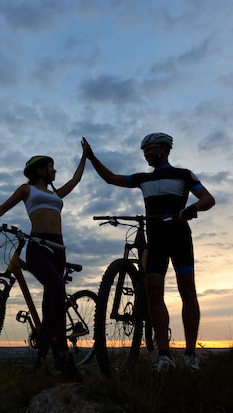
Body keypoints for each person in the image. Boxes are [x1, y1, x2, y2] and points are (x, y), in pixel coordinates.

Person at [83, 133, 215, 372]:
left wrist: (190, 209)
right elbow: (111, 178)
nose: (145, 154)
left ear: (163, 149)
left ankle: (191, 353)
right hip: (156, 240)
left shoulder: (183, 175)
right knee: (153, 290)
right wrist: (91, 157)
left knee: (188, 291)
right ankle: (164, 354)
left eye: (149, 150)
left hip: (179, 237)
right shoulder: (143, 178)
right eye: (144, 151)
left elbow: (208, 198)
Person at [0, 139, 89, 380]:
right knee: (57, 289)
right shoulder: (27, 190)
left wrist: (85, 156)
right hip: (38, 245)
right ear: (40, 170)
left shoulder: (56, 193)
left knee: (52, 300)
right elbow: (4, 206)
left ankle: (42, 361)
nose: (55, 171)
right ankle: (62, 354)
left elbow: (76, 180)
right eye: (51, 167)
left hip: (58, 248)